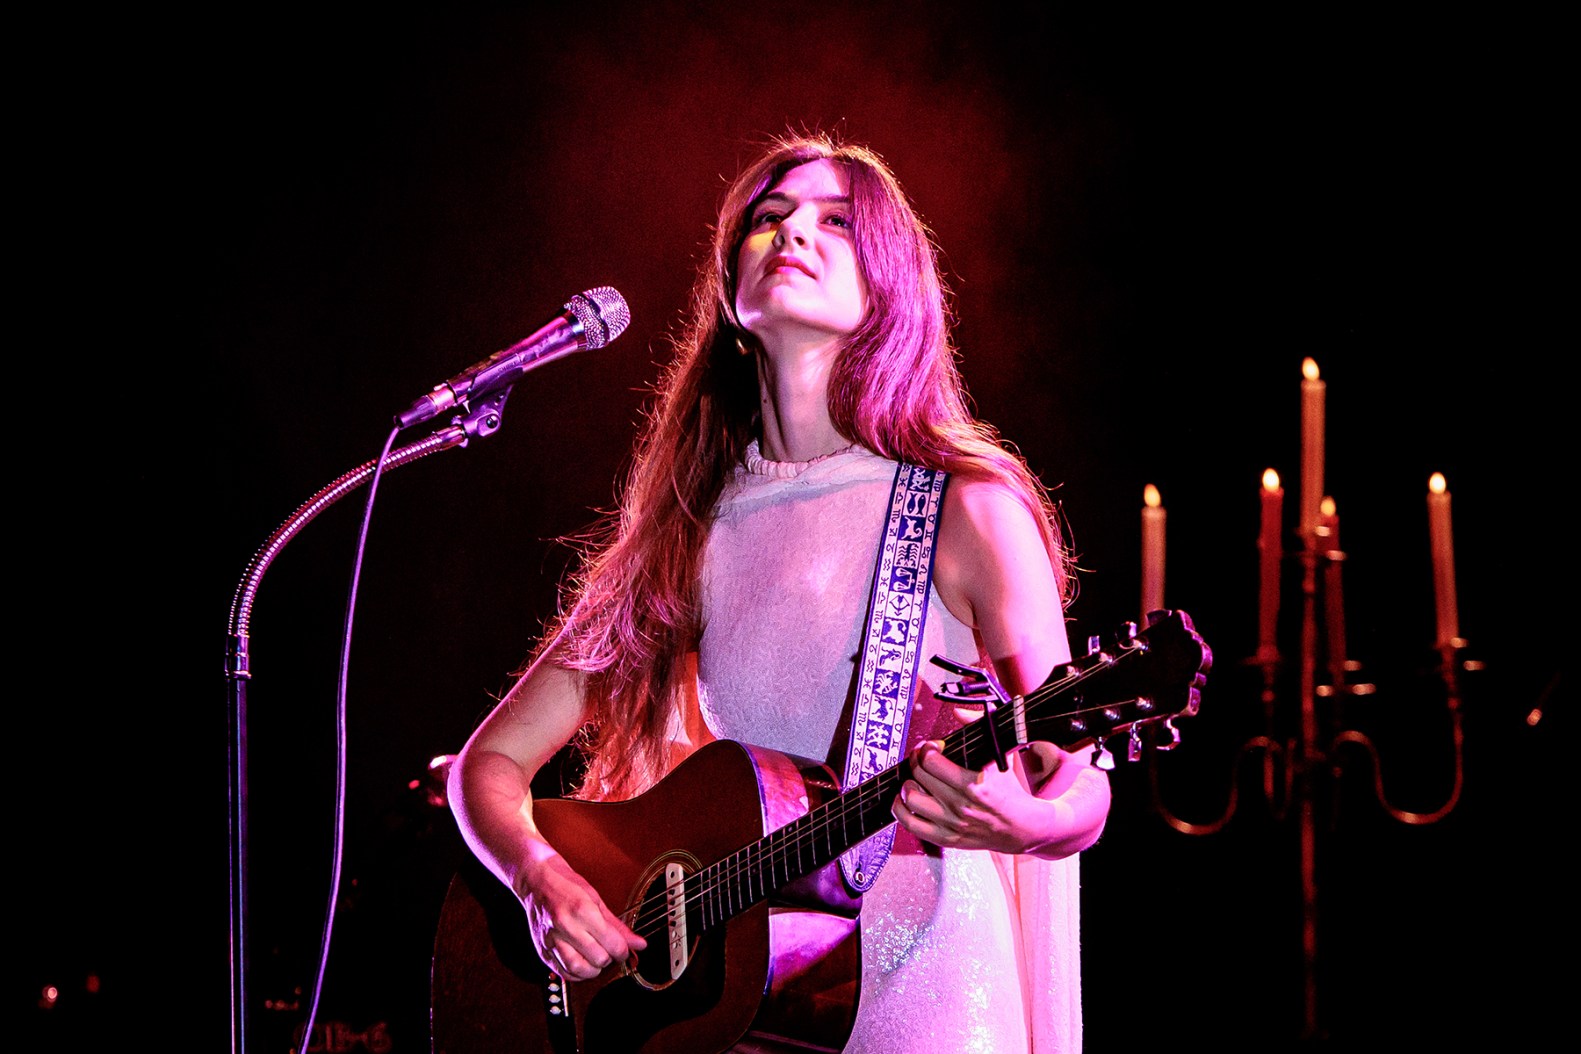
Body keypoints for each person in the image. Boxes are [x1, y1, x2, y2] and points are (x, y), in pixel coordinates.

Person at [447, 132, 1112, 1053]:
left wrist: (1032, 822)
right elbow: (491, 766)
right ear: (727, 290)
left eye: (835, 222)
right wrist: (538, 880)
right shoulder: (686, 527)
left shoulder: (965, 506)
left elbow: (1078, 783)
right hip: (745, 1015)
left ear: (888, 283)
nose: (793, 233)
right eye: (768, 218)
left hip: (931, 990)